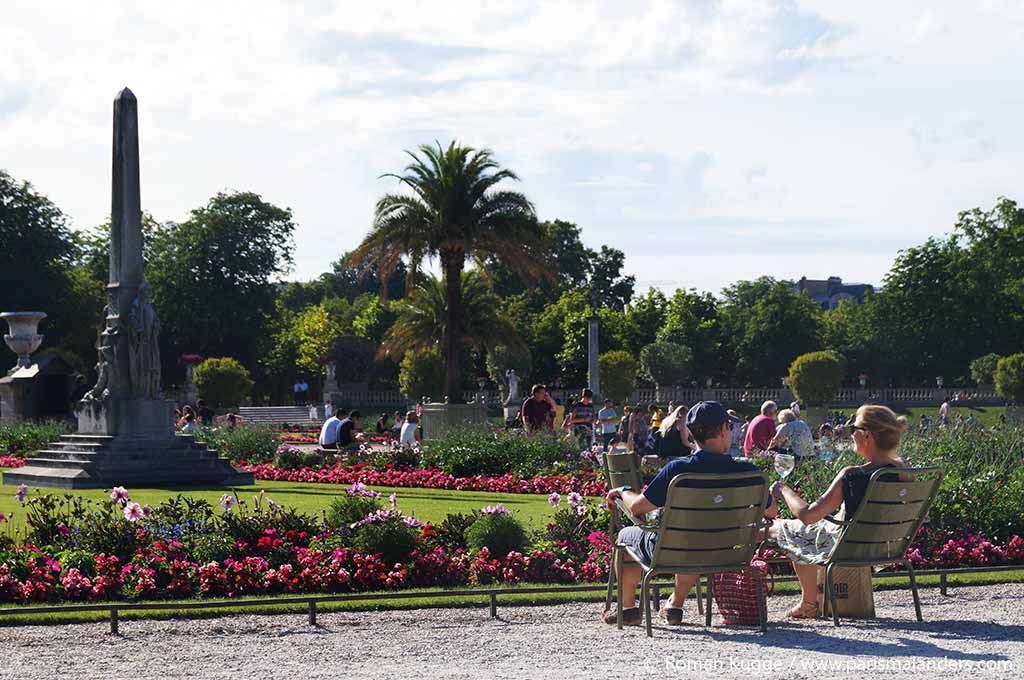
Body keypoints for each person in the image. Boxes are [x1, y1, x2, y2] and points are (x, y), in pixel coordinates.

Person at [603, 401, 778, 626]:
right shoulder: (752, 474)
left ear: (691, 434)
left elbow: (637, 508)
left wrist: (623, 491)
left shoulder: (678, 470)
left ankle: (628, 609)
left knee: (629, 535)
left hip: (674, 550)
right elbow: (772, 511)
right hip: (728, 552)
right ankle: (674, 606)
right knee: (698, 539)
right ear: (724, 429)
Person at [769, 404, 908, 619]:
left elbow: (807, 515)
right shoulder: (905, 472)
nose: (851, 435)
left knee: (785, 528)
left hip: (848, 548)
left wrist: (783, 490)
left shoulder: (853, 475)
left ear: (867, 436)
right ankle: (813, 601)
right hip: (886, 546)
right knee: (800, 529)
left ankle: (810, 602)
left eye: (854, 429)